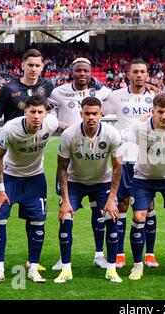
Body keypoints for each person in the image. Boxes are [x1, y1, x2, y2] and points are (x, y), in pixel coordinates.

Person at [0, 48, 54, 272]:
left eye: (38, 65)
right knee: (0, 206)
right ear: (23, 65)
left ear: (42, 66)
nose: (34, 69)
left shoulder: (48, 87)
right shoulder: (9, 89)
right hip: (9, 155)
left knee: (33, 214)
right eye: (30, 65)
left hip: (32, 156)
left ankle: (31, 260)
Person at [0, 95, 63, 284]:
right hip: (10, 178)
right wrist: (0, 189)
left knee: (38, 223)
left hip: (35, 179)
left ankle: (34, 269)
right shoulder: (10, 129)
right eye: (32, 112)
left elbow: (65, 127)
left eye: (40, 112)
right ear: (25, 112)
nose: (36, 116)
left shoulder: (50, 123)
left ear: (46, 113)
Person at [48, 57, 112, 271]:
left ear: (90, 72)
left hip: (96, 157)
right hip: (72, 155)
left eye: (86, 70)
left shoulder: (102, 93)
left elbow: (122, 99)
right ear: (72, 72)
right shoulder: (58, 92)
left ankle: (99, 255)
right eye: (78, 71)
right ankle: (63, 259)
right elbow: (46, 112)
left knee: (99, 213)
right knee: (65, 211)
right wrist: (61, 126)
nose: (82, 74)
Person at [123, 93, 165, 280]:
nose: (164, 116)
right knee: (139, 216)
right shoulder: (140, 128)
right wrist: (137, 120)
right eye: (160, 112)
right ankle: (137, 266)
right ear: (152, 111)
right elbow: (121, 137)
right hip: (144, 178)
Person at [54, 97, 123, 284]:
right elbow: (62, 167)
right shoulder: (69, 134)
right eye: (87, 113)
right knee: (66, 216)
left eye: (95, 114)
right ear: (81, 114)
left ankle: (111, 268)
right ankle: (66, 269)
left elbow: (118, 167)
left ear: (101, 115)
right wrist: (66, 200)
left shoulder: (112, 134)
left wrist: (111, 199)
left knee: (111, 216)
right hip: (75, 182)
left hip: (102, 183)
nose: (91, 117)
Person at [102, 58, 158, 269]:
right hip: (125, 156)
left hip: (148, 157)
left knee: (148, 205)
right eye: (135, 71)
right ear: (128, 74)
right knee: (122, 203)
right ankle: (119, 253)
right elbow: (99, 110)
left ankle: (150, 254)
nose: (139, 75)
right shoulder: (116, 97)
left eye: (143, 71)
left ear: (147, 74)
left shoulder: (154, 96)